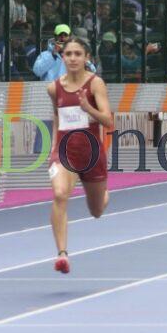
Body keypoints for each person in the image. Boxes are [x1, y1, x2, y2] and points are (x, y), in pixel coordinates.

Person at [47, 37, 113, 274]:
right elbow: (57, 117)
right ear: (62, 57)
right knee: (59, 194)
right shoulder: (54, 87)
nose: (73, 58)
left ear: (86, 58)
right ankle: (62, 254)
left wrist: (88, 108)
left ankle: (104, 195)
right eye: (68, 54)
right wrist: (53, 148)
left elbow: (108, 120)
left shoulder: (96, 84)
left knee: (96, 211)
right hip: (65, 152)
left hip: (92, 153)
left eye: (77, 54)